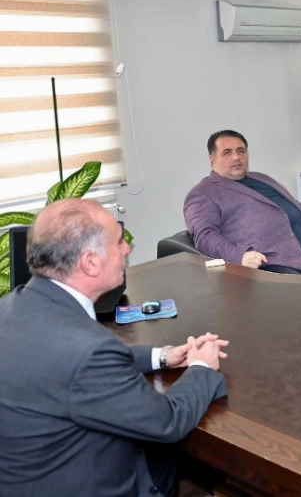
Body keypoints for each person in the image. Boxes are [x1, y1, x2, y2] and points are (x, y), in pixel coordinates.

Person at [0, 199, 228, 497]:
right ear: (90, 262)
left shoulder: (14, 306)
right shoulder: (89, 351)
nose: (127, 249)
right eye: (119, 241)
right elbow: (167, 421)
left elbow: (68, 364)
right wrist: (201, 365)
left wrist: (162, 356)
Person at [184, 130, 301, 277]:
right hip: (273, 259)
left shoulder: (262, 178)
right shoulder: (203, 193)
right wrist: (239, 256)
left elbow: (294, 203)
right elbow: (205, 236)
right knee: (295, 289)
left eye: (241, 151)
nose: (236, 157)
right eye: (227, 152)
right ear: (212, 159)